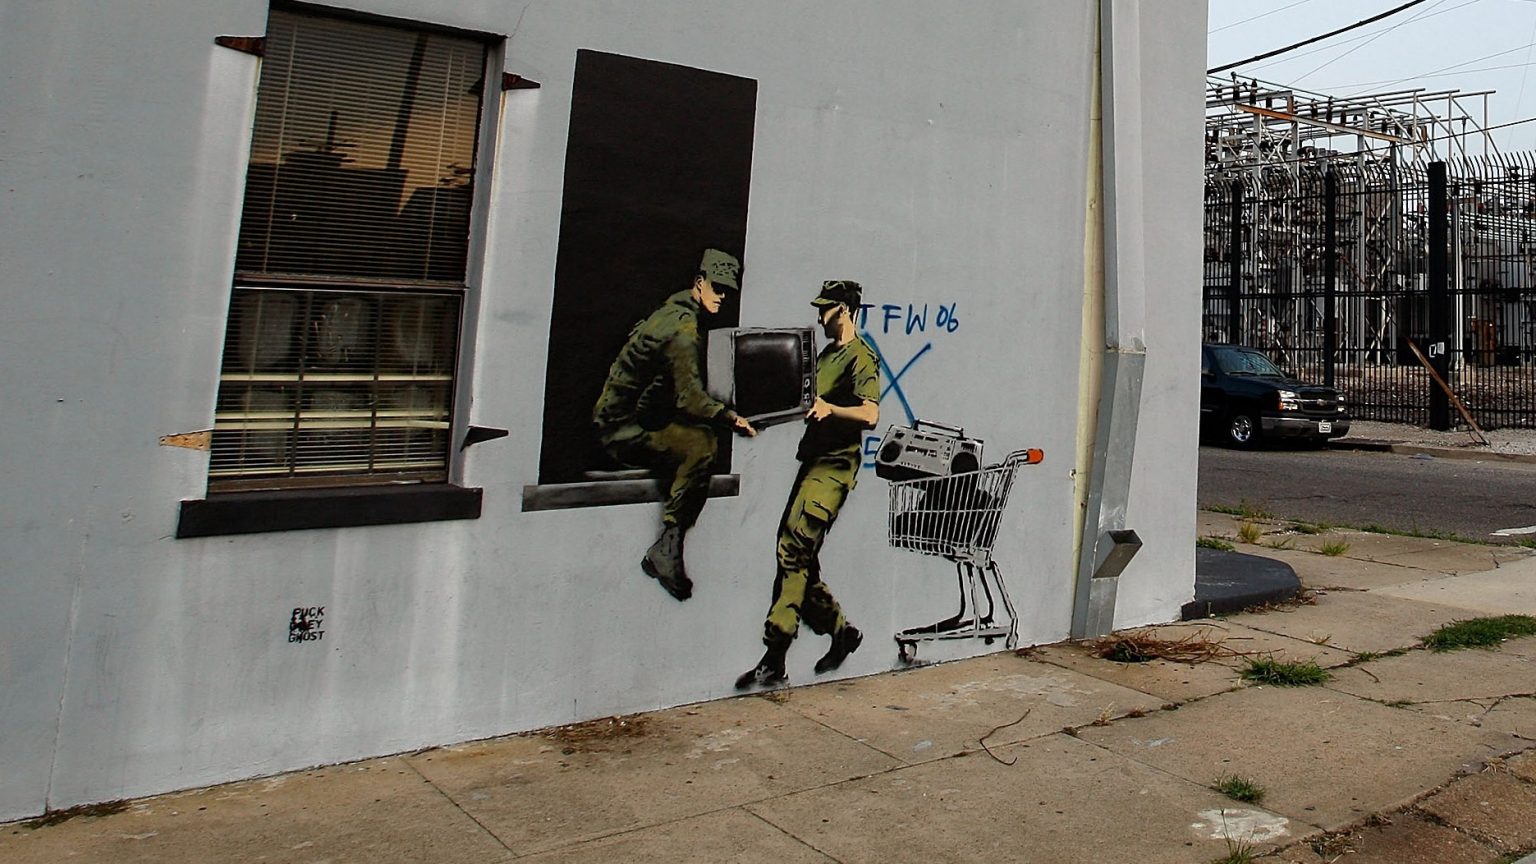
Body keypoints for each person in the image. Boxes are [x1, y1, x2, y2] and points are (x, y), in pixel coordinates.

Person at [736, 280, 879, 689]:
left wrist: (831, 409)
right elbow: (804, 402)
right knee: (802, 558)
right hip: (813, 461)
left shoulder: (860, 357)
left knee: (793, 548)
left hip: (835, 467)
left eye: (826, 309)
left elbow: (871, 415)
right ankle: (840, 631)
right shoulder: (827, 355)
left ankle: (775, 655)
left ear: (845, 310)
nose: (820, 317)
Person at [593, 249, 757, 601]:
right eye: (716, 288)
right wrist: (731, 418)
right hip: (620, 432)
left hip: (619, 420)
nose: (722, 296)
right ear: (699, 283)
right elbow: (690, 399)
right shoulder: (683, 329)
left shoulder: (671, 311)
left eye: (727, 291)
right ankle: (667, 548)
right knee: (702, 444)